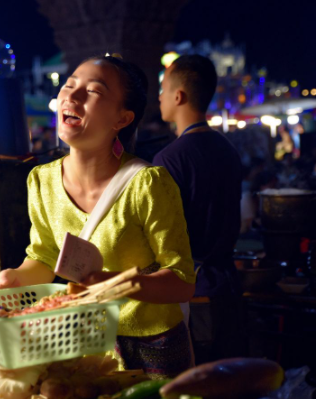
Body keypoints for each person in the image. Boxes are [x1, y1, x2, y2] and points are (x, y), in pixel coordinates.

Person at [0, 54, 196, 378]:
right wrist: (15, 278)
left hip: (155, 347)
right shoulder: (41, 180)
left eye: (94, 91)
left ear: (122, 119)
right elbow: (44, 256)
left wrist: (114, 285)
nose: (71, 96)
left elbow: (182, 282)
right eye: (69, 86)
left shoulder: (148, 184)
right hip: (83, 342)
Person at [154, 54, 244, 364]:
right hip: (228, 287)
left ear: (179, 96)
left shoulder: (169, 159)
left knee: (197, 380)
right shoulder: (227, 149)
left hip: (194, 292)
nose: (160, 96)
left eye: (163, 89)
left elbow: (164, 237)